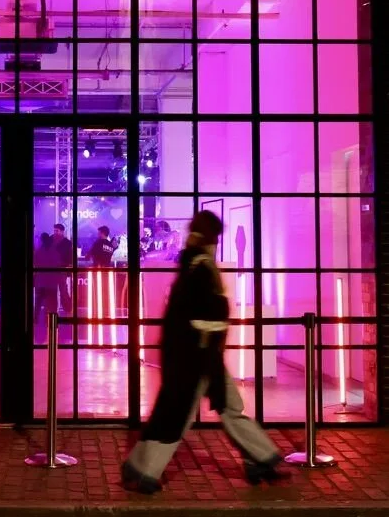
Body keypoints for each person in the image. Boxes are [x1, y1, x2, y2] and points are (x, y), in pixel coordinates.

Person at [121, 210, 286, 493]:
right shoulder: (202, 269)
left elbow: (186, 316)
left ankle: (259, 457)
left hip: (196, 355)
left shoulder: (192, 265)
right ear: (213, 238)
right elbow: (205, 315)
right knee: (183, 414)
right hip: (198, 356)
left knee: (215, 407)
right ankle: (146, 469)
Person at [33, 232, 60, 331]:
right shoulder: (54, 251)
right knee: (52, 303)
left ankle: (35, 320)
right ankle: (51, 321)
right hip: (51, 281)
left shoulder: (38, 251)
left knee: (38, 302)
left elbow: (35, 264)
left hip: (40, 281)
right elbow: (58, 263)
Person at [50, 222, 73, 313]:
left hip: (61, 269)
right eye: (54, 230)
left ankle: (67, 308)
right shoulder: (51, 239)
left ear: (62, 232)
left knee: (63, 290)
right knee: (53, 290)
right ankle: (53, 309)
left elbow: (68, 256)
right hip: (51, 269)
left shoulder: (67, 243)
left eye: (57, 231)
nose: (55, 232)